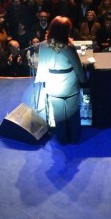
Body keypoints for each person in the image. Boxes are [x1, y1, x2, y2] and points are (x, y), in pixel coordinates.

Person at [36, 16, 87, 144]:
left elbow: (41, 66)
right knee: (73, 114)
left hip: (53, 85)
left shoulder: (43, 45)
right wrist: (83, 80)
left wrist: (43, 81)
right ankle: (75, 138)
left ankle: (62, 139)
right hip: (69, 85)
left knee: (59, 116)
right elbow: (78, 67)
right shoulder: (68, 47)